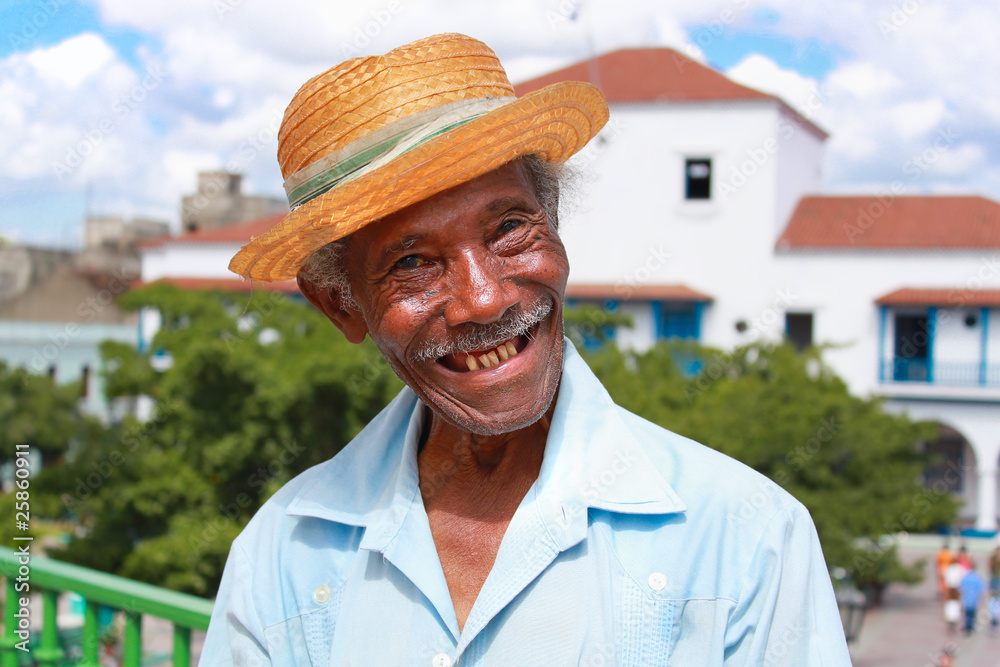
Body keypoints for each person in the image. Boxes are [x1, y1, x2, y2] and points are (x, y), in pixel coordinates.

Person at [201, 33, 851, 665]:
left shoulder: (747, 539)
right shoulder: (282, 555)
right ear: (341, 304)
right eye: (413, 261)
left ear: (555, 220)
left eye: (509, 227)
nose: (484, 300)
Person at [959, 562, 985, 635]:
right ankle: (971, 627)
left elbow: (960, 588)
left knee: (967, 615)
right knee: (973, 615)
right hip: (974, 601)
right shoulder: (978, 578)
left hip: (966, 600)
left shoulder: (965, 577)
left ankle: (968, 627)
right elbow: (981, 590)